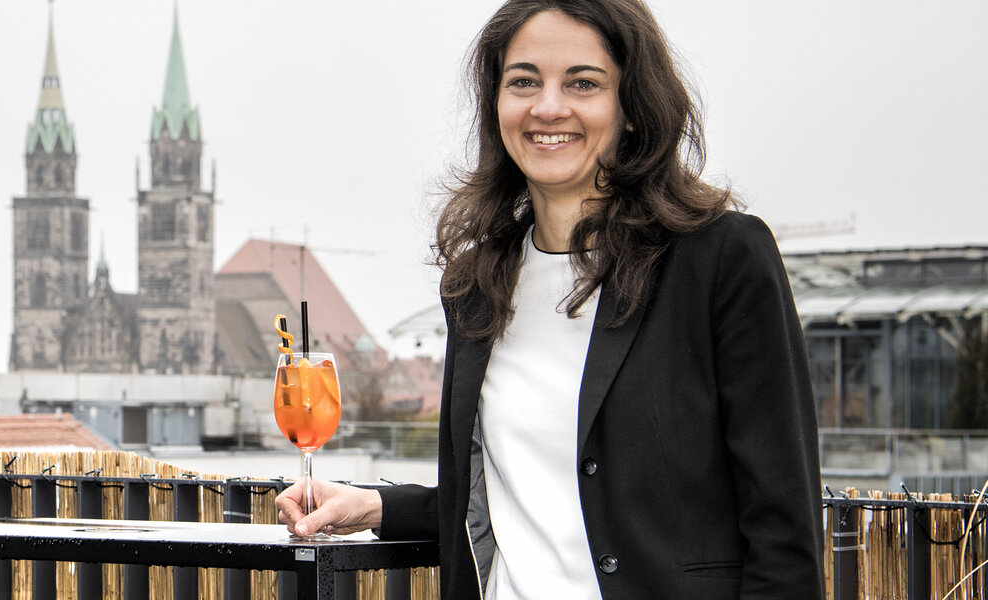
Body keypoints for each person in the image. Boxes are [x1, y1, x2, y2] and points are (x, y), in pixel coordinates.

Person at [275, 0, 822, 598]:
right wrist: (375, 505)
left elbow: (783, 529)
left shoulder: (721, 260)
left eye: (583, 83)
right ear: (498, 105)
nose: (548, 107)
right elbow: (525, 492)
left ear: (633, 108)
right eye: (524, 81)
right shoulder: (475, 284)